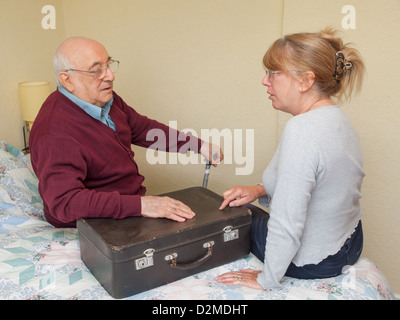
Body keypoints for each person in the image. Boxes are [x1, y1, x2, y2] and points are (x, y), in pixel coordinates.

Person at [215, 28, 365, 290]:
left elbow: (287, 219)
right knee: (247, 208)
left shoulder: (302, 130)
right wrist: (259, 190)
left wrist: (267, 279)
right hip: (349, 244)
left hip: (317, 261)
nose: (265, 81)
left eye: (273, 73)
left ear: (305, 81)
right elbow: (320, 183)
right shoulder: (338, 118)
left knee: (229, 213)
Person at [30, 37, 222, 228]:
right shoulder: (54, 132)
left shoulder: (104, 99)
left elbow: (143, 129)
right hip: (90, 224)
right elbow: (65, 203)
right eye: (97, 70)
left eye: (109, 64)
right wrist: (141, 205)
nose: (110, 76)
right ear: (67, 80)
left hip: (128, 210)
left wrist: (199, 146)